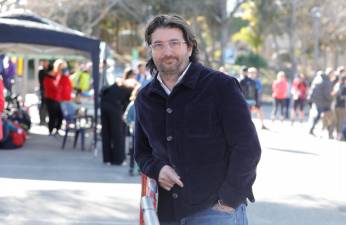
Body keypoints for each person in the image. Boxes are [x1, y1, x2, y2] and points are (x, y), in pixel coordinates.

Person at [134, 15, 261, 225]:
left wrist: (228, 202)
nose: (167, 52)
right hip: (167, 213)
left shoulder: (221, 87)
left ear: (190, 47)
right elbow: (142, 152)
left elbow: (247, 148)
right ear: (151, 49)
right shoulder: (145, 97)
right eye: (158, 45)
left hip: (215, 211)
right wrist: (158, 168)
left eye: (174, 43)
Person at [100, 68, 139, 165]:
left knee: (106, 132)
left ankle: (107, 159)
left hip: (104, 104)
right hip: (115, 107)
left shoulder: (118, 82)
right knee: (118, 134)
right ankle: (118, 159)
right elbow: (130, 103)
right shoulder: (133, 85)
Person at [308, 69, 334, 137]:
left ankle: (312, 128)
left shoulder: (318, 79)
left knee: (321, 115)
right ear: (329, 74)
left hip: (318, 101)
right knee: (328, 116)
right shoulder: (327, 81)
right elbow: (327, 94)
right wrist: (331, 98)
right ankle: (329, 133)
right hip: (324, 102)